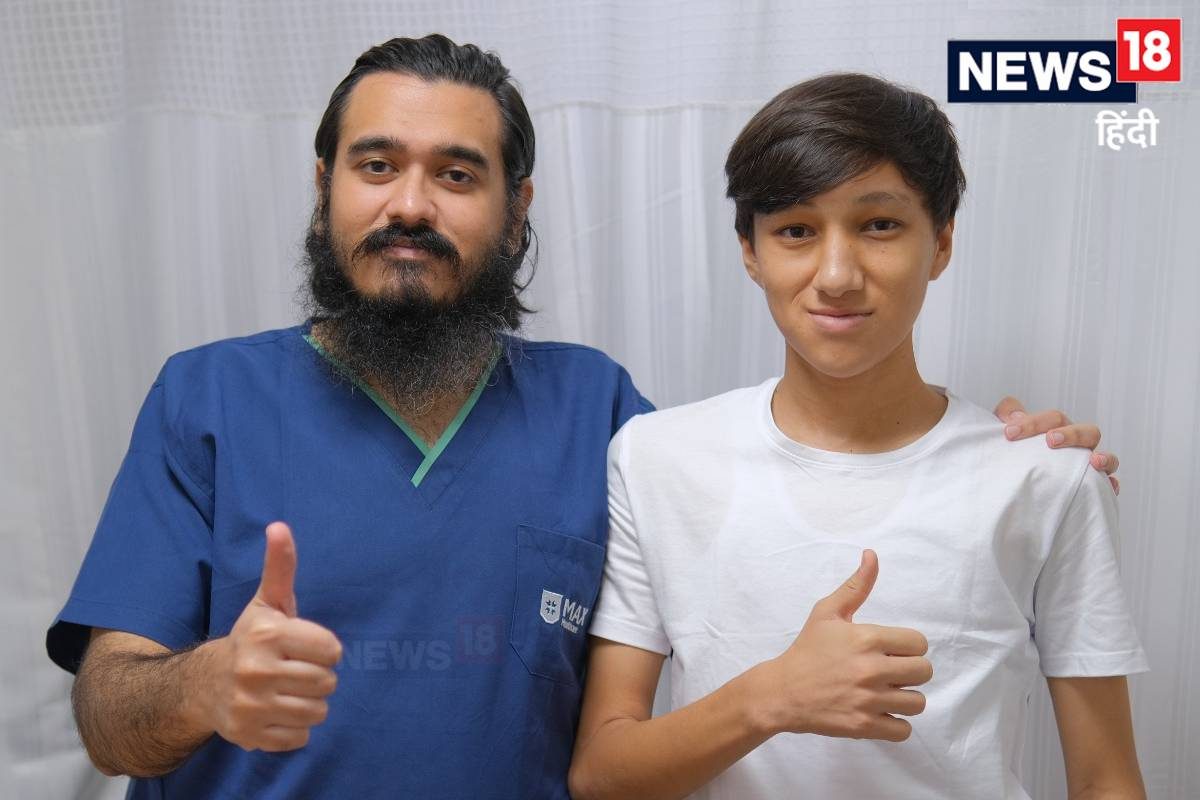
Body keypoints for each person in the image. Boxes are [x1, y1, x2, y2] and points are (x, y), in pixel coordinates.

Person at [45, 36, 1120, 798]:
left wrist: (995, 453)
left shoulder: (600, 413)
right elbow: (107, 719)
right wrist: (207, 685)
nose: (410, 203)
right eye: (377, 166)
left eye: (456, 173)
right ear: (326, 186)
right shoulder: (207, 399)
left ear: (516, 212)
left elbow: (801, 479)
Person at [569, 74, 1147, 800]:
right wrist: (771, 697)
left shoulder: (1048, 478)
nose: (837, 276)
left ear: (941, 242)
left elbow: (1107, 781)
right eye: (796, 231)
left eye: (878, 226)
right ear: (750, 251)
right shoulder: (654, 458)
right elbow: (601, 774)